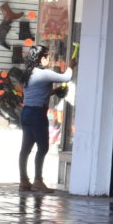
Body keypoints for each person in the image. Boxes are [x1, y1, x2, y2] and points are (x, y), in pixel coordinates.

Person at [19, 45, 72, 193]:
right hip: (37, 113)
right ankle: (38, 181)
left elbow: (36, 93)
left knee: (26, 148)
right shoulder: (45, 74)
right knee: (43, 147)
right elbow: (66, 77)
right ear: (42, 58)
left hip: (26, 112)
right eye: (48, 56)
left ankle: (23, 181)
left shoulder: (27, 74)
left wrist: (54, 91)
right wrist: (71, 66)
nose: (49, 59)